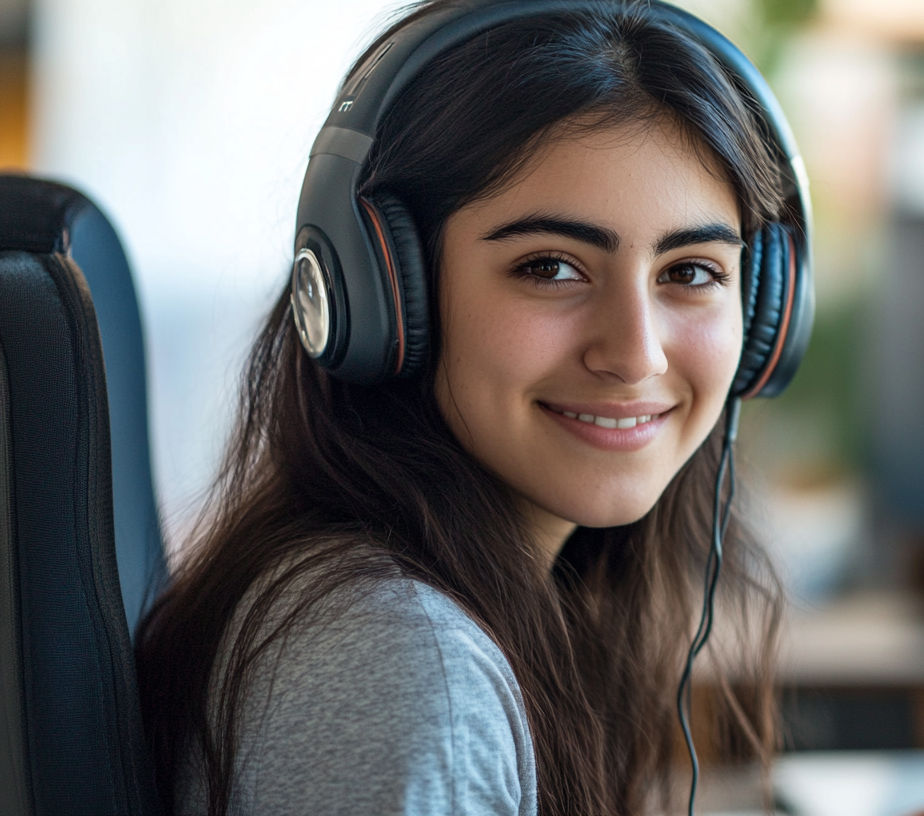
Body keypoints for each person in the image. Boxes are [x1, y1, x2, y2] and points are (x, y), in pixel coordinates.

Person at [133, 2, 808, 814]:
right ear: (383, 294)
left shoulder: (413, 612)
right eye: (551, 267)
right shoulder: (406, 667)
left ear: (766, 308)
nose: (636, 354)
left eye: (692, 272)